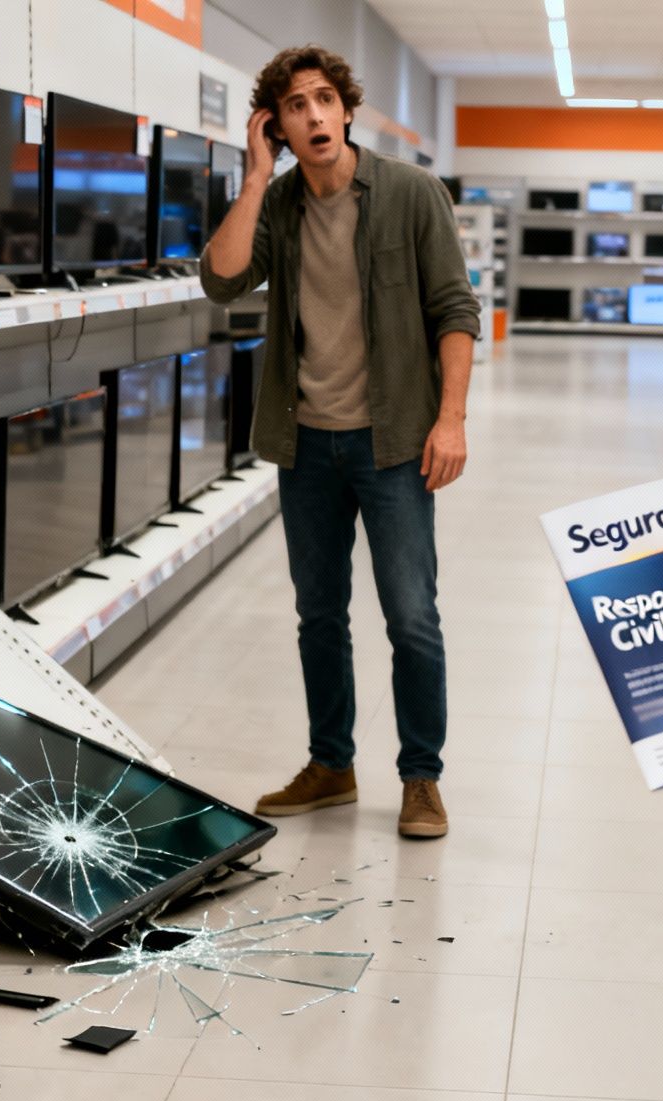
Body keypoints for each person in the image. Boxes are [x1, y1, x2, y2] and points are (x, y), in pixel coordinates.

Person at [201, 45, 478, 839]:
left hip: (392, 443)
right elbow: (221, 280)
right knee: (319, 613)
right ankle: (332, 764)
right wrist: (255, 178)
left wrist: (451, 418)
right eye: (295, 106)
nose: (315, 115)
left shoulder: (412, 193)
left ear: (347, 108)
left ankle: (421, 778)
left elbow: (454, 310)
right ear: (277, 125)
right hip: (306, 445)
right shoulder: (280, 205)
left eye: (325, 99)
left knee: (411, 616)